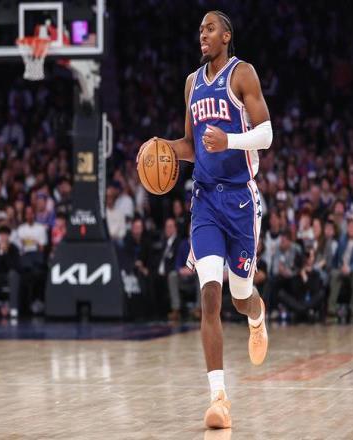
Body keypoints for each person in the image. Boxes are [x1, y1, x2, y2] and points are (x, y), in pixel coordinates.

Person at [136, 11, 272, 429]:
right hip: (206, 201)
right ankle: (219, 398)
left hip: (241, 201)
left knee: (239, 296)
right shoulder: (192, 84)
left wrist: (230, 139)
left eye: (210, 29)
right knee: (210, 296)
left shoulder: (243, 74)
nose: (203, 35)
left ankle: (257, 315)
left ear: (226, 36)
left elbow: (267, 134)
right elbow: (192, 146)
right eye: (200, 30)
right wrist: (161, 149)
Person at [327, 214, 353, 325]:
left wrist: (349, 268)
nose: (350, 228)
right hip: (341, 269)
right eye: (349, 226)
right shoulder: (342, 240)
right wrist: (337, 267)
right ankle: (331, 311)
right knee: (334, 274)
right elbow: (336, 258)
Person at [0, 225, 21, 319]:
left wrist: (6, 252)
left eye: (5, 235)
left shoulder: (14, 248)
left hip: (10, 275)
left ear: (9, 236)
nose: (3, 237)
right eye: (2, 235)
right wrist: (1, 252)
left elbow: (15, 266)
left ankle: (13, 308)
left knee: (13, 274)